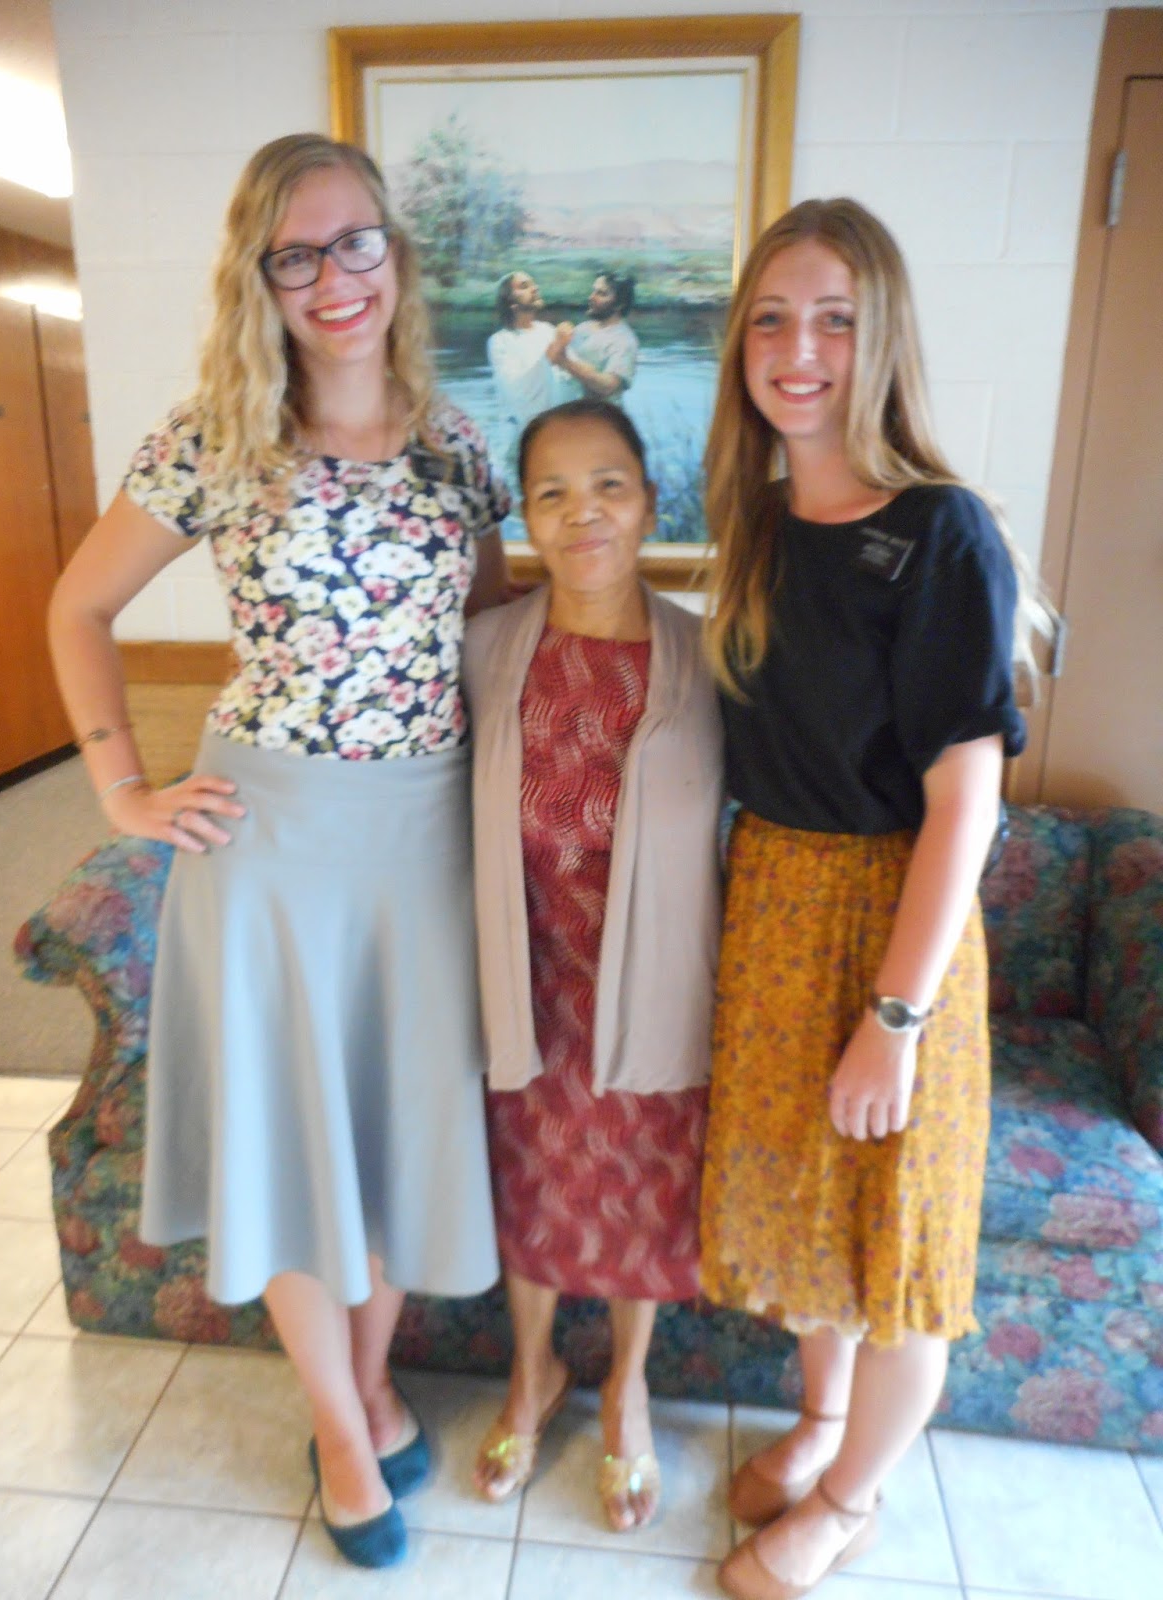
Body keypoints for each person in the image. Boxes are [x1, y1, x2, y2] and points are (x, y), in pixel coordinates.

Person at [47, 133, 511, 1571]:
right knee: (294, 1148)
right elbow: (77, 609)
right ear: (260, 279)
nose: (333, 277)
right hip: (271, 839)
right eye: (295, 255)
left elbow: (489, 640)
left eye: (355, 241)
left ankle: (367, 1388)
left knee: (397, 1134)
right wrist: (122, 789)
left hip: (425, 838)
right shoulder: (214, 437)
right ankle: (341, 1422)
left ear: (395, 254)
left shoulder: (457, 443)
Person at [698, 199, 1053, 1600]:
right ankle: (822, 1419)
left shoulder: (941, 531)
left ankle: (853, 1500)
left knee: (897, 1232)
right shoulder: (759, 521)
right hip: (775, 907)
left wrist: (895, 1018)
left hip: (895, 919)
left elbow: (968, 801)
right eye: (773, 319)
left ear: (883, 336)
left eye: (836, 319)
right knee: (810, 1207)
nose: (801, 350)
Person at [463, 399, 723, 1531]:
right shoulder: (484, 651)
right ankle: (533, 1371)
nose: (585, 513)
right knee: (530, 1181)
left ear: (650, 503)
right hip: (522, 975)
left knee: (639, 1186)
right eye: (554, 492)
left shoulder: (710, 659)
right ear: (525, 516)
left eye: (609, 485)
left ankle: (628, 1386)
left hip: (652, 979)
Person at [487, 270, 567, 476]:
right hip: (519, 441)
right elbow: (517, 390)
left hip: (554, 437)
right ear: (511, 304)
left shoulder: (548, 331)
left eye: (533, 283)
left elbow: (568, 377)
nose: (535, 288)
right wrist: (553, 351)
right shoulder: (501, 342)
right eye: (524, 286)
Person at [553, 270, 640, 404]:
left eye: (601, 294)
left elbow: (609, 386)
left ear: (620, 304)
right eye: (594, 291)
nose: (591, 297)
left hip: (599, 415)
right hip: (569, 411)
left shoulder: (624, 340)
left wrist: (564, 361)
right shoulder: (582, 328)